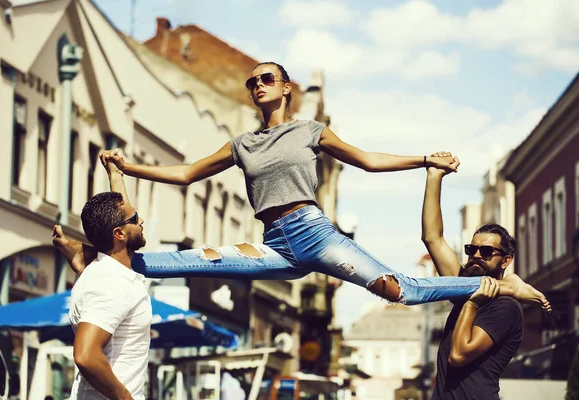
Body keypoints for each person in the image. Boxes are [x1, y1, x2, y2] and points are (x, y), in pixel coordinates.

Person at [55, 61, 550, 309]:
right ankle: (94, 258)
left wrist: (425, 160)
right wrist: (126, 166)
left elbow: (367, 161)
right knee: (193, 260)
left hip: (315, 235)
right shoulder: (242, 144)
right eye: (251, 83)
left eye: (266, 78)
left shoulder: (310, 130)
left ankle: (499, 286)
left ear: (287, 87)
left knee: (401, 288)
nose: (258, 85)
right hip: (275, 245)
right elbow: (185, 174)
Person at [421, 155, 547, 399]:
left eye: (487, 251)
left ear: (506, 261)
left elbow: (458, 355)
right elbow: (432, 238)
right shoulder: (465, 285)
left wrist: (472, 303)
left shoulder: (504, 306)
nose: (477, 255)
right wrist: (434, 177)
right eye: (472, 249)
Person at [54, 162, 150, 400]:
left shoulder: (105, 272)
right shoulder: (112, 282)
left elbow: (123, 222)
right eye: (135, 218)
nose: (141, 221)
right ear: (118, 234)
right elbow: (86, 355)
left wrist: (115, 175)